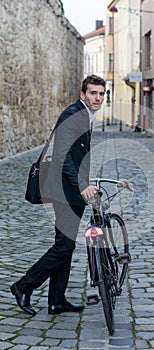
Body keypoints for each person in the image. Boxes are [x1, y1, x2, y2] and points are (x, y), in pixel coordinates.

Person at [10, 74, 106, 316]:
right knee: (64, 246)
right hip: (62, 189)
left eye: (102, 93)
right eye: (93, 93)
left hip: (68, 188)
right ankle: (23, 286)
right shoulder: (74, 115)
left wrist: (84, 182)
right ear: (83, 94)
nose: (98, 97)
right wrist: (81, 185)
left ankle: (56, 301)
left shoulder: (83, 114)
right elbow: (62, 155)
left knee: (65, 245)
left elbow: (75, 155)